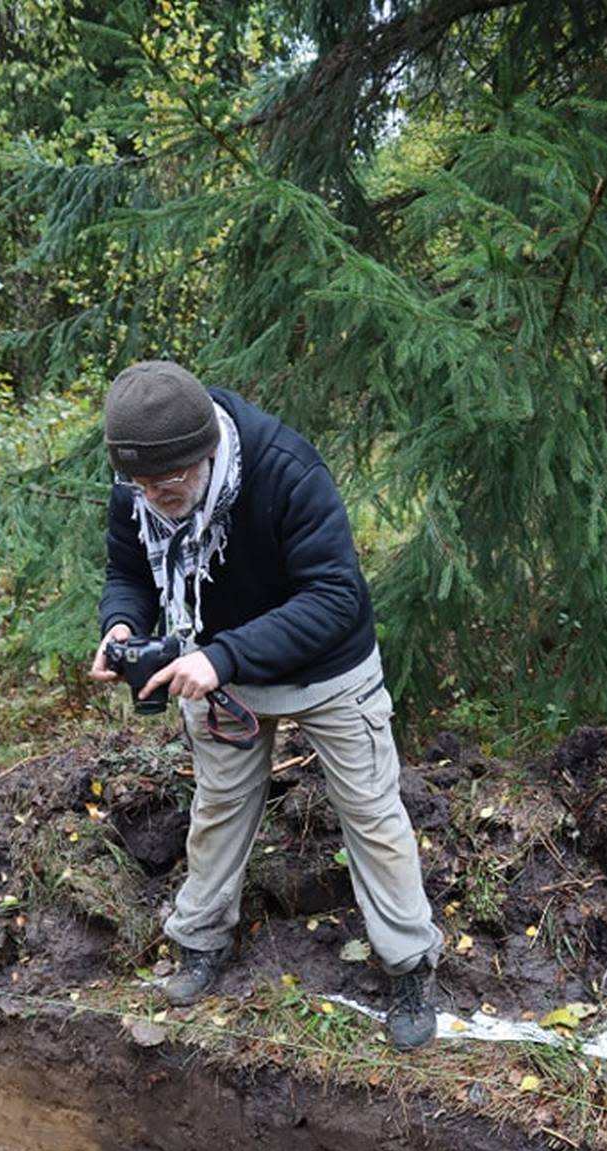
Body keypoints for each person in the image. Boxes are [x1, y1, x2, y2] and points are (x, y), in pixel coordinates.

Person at [91, 360, 443, 1050]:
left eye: (168, 487)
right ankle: (200, 942)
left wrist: (221, 657)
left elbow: (334, 598)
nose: (153, 500)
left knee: (371, 814)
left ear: (207, 455)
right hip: (214, 667)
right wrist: (122, 626)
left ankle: (408, 964)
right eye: (141, 488)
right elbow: (128, 571)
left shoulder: (285, 469)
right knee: (219, 806)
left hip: (324, 668)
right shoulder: (139, 488)